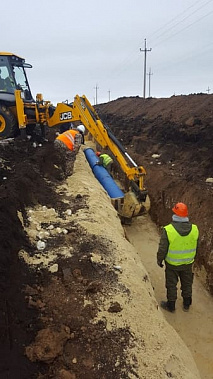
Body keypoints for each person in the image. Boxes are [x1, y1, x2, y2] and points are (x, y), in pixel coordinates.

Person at [157, 202, 199, 313]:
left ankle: (171, 306)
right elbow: (196, 246)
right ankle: (186, 304)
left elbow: (163, 248)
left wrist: (159, 259)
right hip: (188, 263)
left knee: (171, 284)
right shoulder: (195, 229)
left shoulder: (168, 230)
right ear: (186, 215)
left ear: (174, 214)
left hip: (172, 265)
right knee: (187, 283)